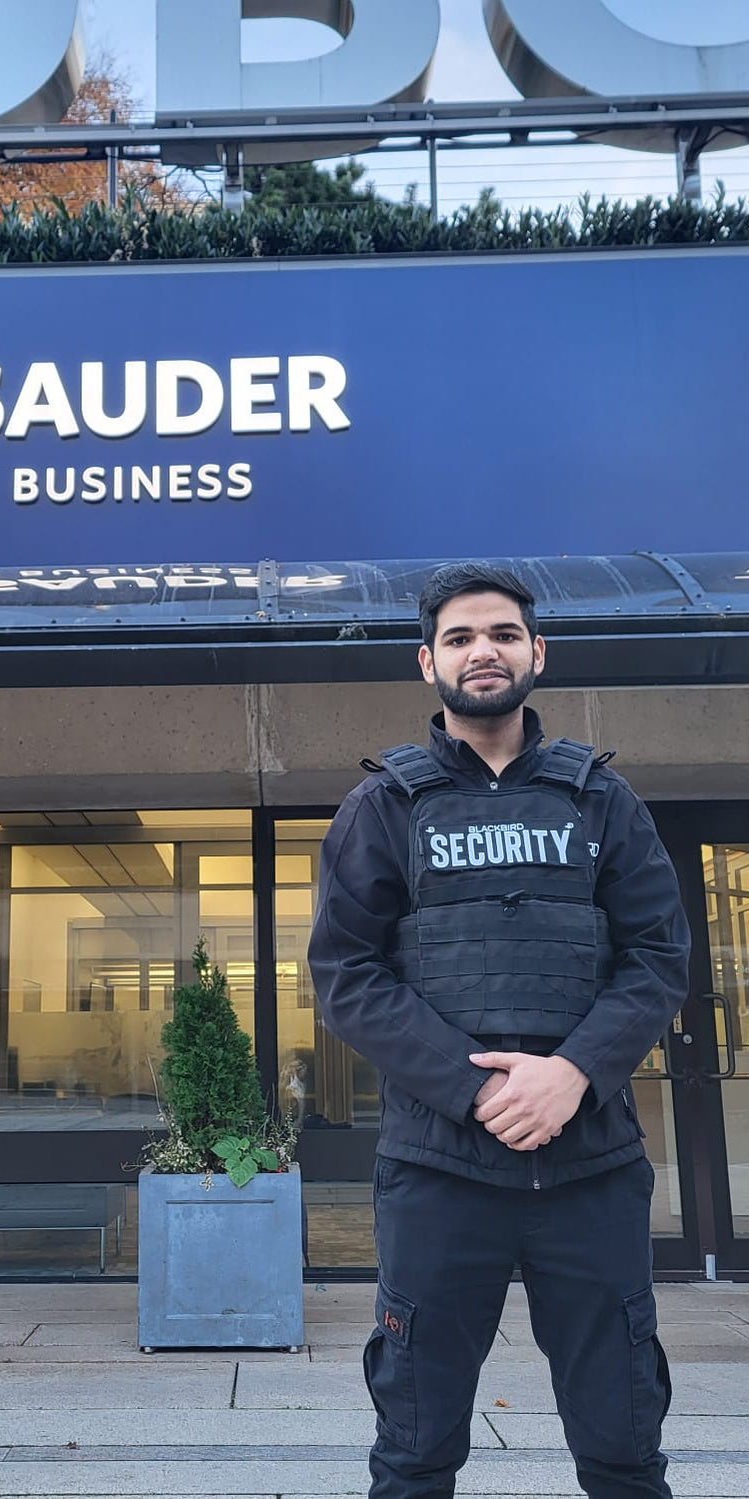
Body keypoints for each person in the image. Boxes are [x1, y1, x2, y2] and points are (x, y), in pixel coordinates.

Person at [308, 562, 690, 1499]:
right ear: (427, 663)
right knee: (414, 1447)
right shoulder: (382, 808)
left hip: (590, 1166)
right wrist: (479, 1088)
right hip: (439, 1171)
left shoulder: (604, 800)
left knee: (625, 1445)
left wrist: (571, 1074)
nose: (485, 651)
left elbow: (658, 956)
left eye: (504, 634)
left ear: (538, 653)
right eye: (463, 637)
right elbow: (346, 975)